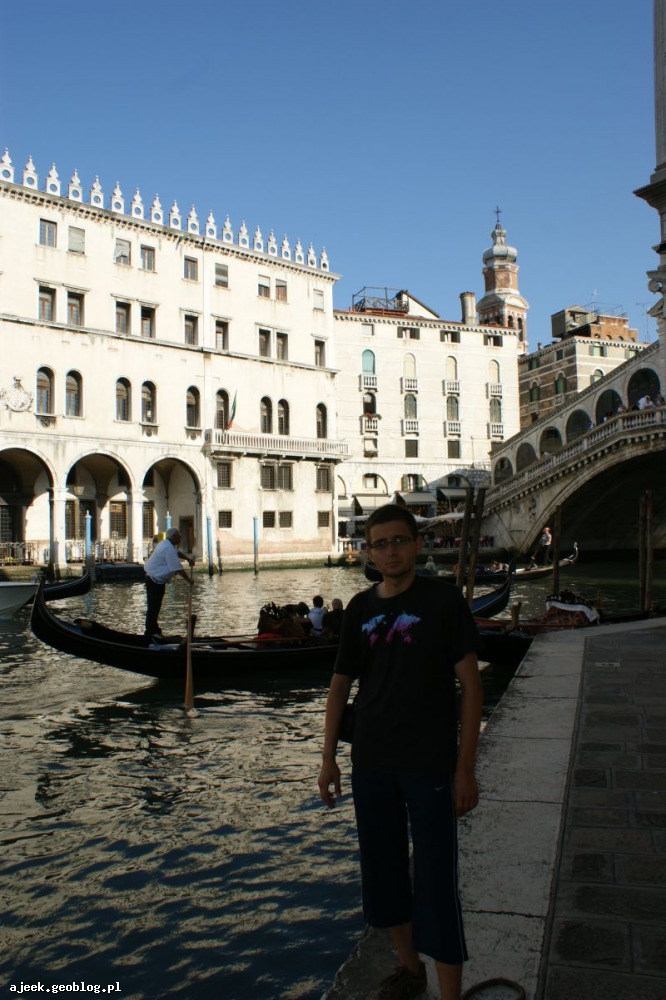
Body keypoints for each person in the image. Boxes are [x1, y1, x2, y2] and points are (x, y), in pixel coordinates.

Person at [318, 504, 483, 1000]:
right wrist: (328, 758)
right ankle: (409, 968)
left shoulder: (443, 601)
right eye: (381, 544)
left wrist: (465, 769)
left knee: (435, 880)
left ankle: (450, 994)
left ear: (416, 544)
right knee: (384, 872)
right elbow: (340, 686)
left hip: (429, 763)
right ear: (368, 553)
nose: (391, 551)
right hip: (371, 762)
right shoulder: (359, 608)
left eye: (399, 541)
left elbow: (471, 688)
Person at [144, 527, 194, 638]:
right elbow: (177, 568)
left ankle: (154, 630)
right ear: (174, 536)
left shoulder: (166, 544)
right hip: (155, 580)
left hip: (154, 579)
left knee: (155, 606)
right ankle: (150, 632)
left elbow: (177, 553)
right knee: (153, 607)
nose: (180, 539)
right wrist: (189, 580)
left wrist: (188, 559)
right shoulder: (168, 548)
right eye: (179, 537)